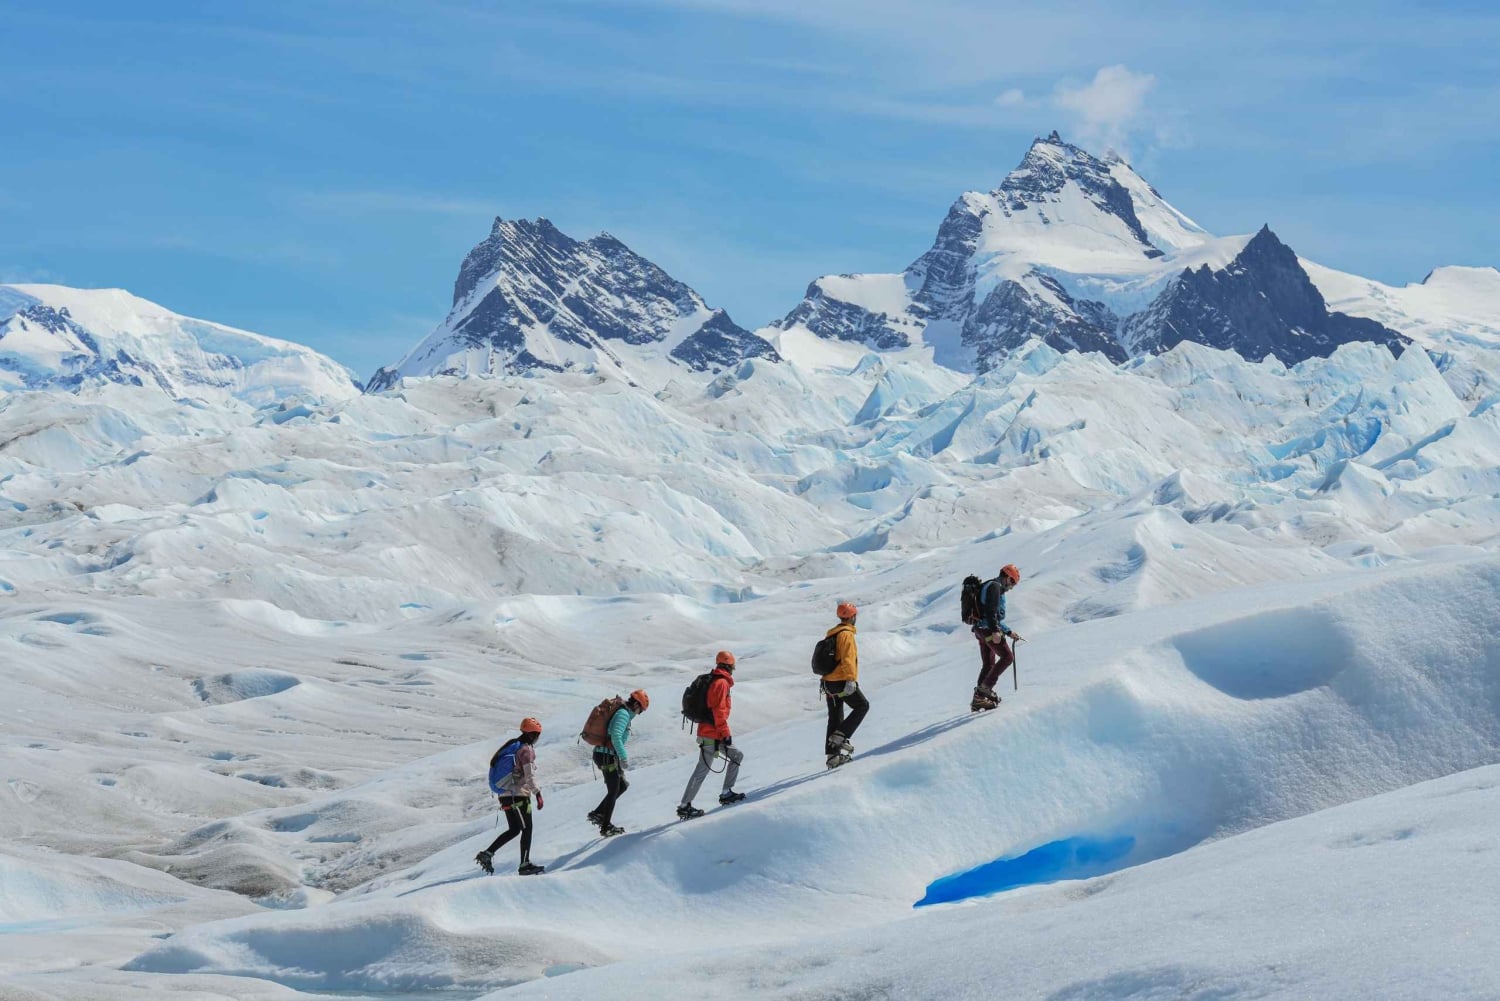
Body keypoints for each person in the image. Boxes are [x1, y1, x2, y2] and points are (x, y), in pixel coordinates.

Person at [677, 651, 745, 819]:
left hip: (711, 731)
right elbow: (719, 711)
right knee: (702, 770)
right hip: (712, 732)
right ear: (730, 666)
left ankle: (726, 792)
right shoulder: (721, 683)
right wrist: (726, 733)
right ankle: (685, 806)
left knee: (736, 755)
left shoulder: (715, 680)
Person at [476, 717, 546, 876]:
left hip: (505, 795)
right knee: (527, 829)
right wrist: (538, 794)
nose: (537, 738)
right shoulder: (525, 750)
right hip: (518, 796)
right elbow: (529, 776)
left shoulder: (511, 745)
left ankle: (487, 854)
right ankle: (525, 864)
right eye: (537, 734)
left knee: (515, 829)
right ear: (531, 734)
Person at [587, 689, 649, 836]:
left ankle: (599, 813)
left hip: (606, 755)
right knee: (614, 789)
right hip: (607, 756)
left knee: (621, 786)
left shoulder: (623, 712)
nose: (639, 714)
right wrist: (623, 757)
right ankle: (605, 826)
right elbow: (615, 736)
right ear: (637, 705)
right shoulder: (623, 714)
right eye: (641, 710)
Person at [823, 602, 869, 768]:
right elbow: (848, 659)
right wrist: (851, 680)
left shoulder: (832, 633)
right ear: (852, 617)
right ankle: (841, 737)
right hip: (841, 682)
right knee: (862, 706)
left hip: (828, 683)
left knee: (835, 717)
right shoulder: (846, 635)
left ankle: (832, 757)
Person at [972, 564, 1024, 711]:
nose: (1012, 586)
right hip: (988, 630)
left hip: (980, 630)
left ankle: (978, 699)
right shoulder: (995, 587)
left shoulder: (990, 585)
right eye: (1012, 582)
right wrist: (995, 631)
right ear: (1007, 577)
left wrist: (1008, 632)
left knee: (988, 664)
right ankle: (985, 689)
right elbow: (991, 612)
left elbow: (991, 615)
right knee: (1007, 657)